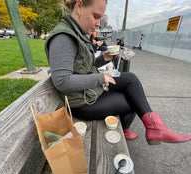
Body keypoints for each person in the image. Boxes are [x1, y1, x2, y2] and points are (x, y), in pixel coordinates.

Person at [45, 0, 191, 144]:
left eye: (100, 18)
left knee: (130, 79)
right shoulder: (63, 38)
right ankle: (132, 129)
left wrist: (105, 58)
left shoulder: (77, 33)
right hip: (82, 103)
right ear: (79, 6)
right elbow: (63, 82)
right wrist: (101, 78)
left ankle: (155, 128)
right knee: (133, 100)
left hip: (90, 91)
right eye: (96, 16)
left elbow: (85, 66)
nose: (98, 23)